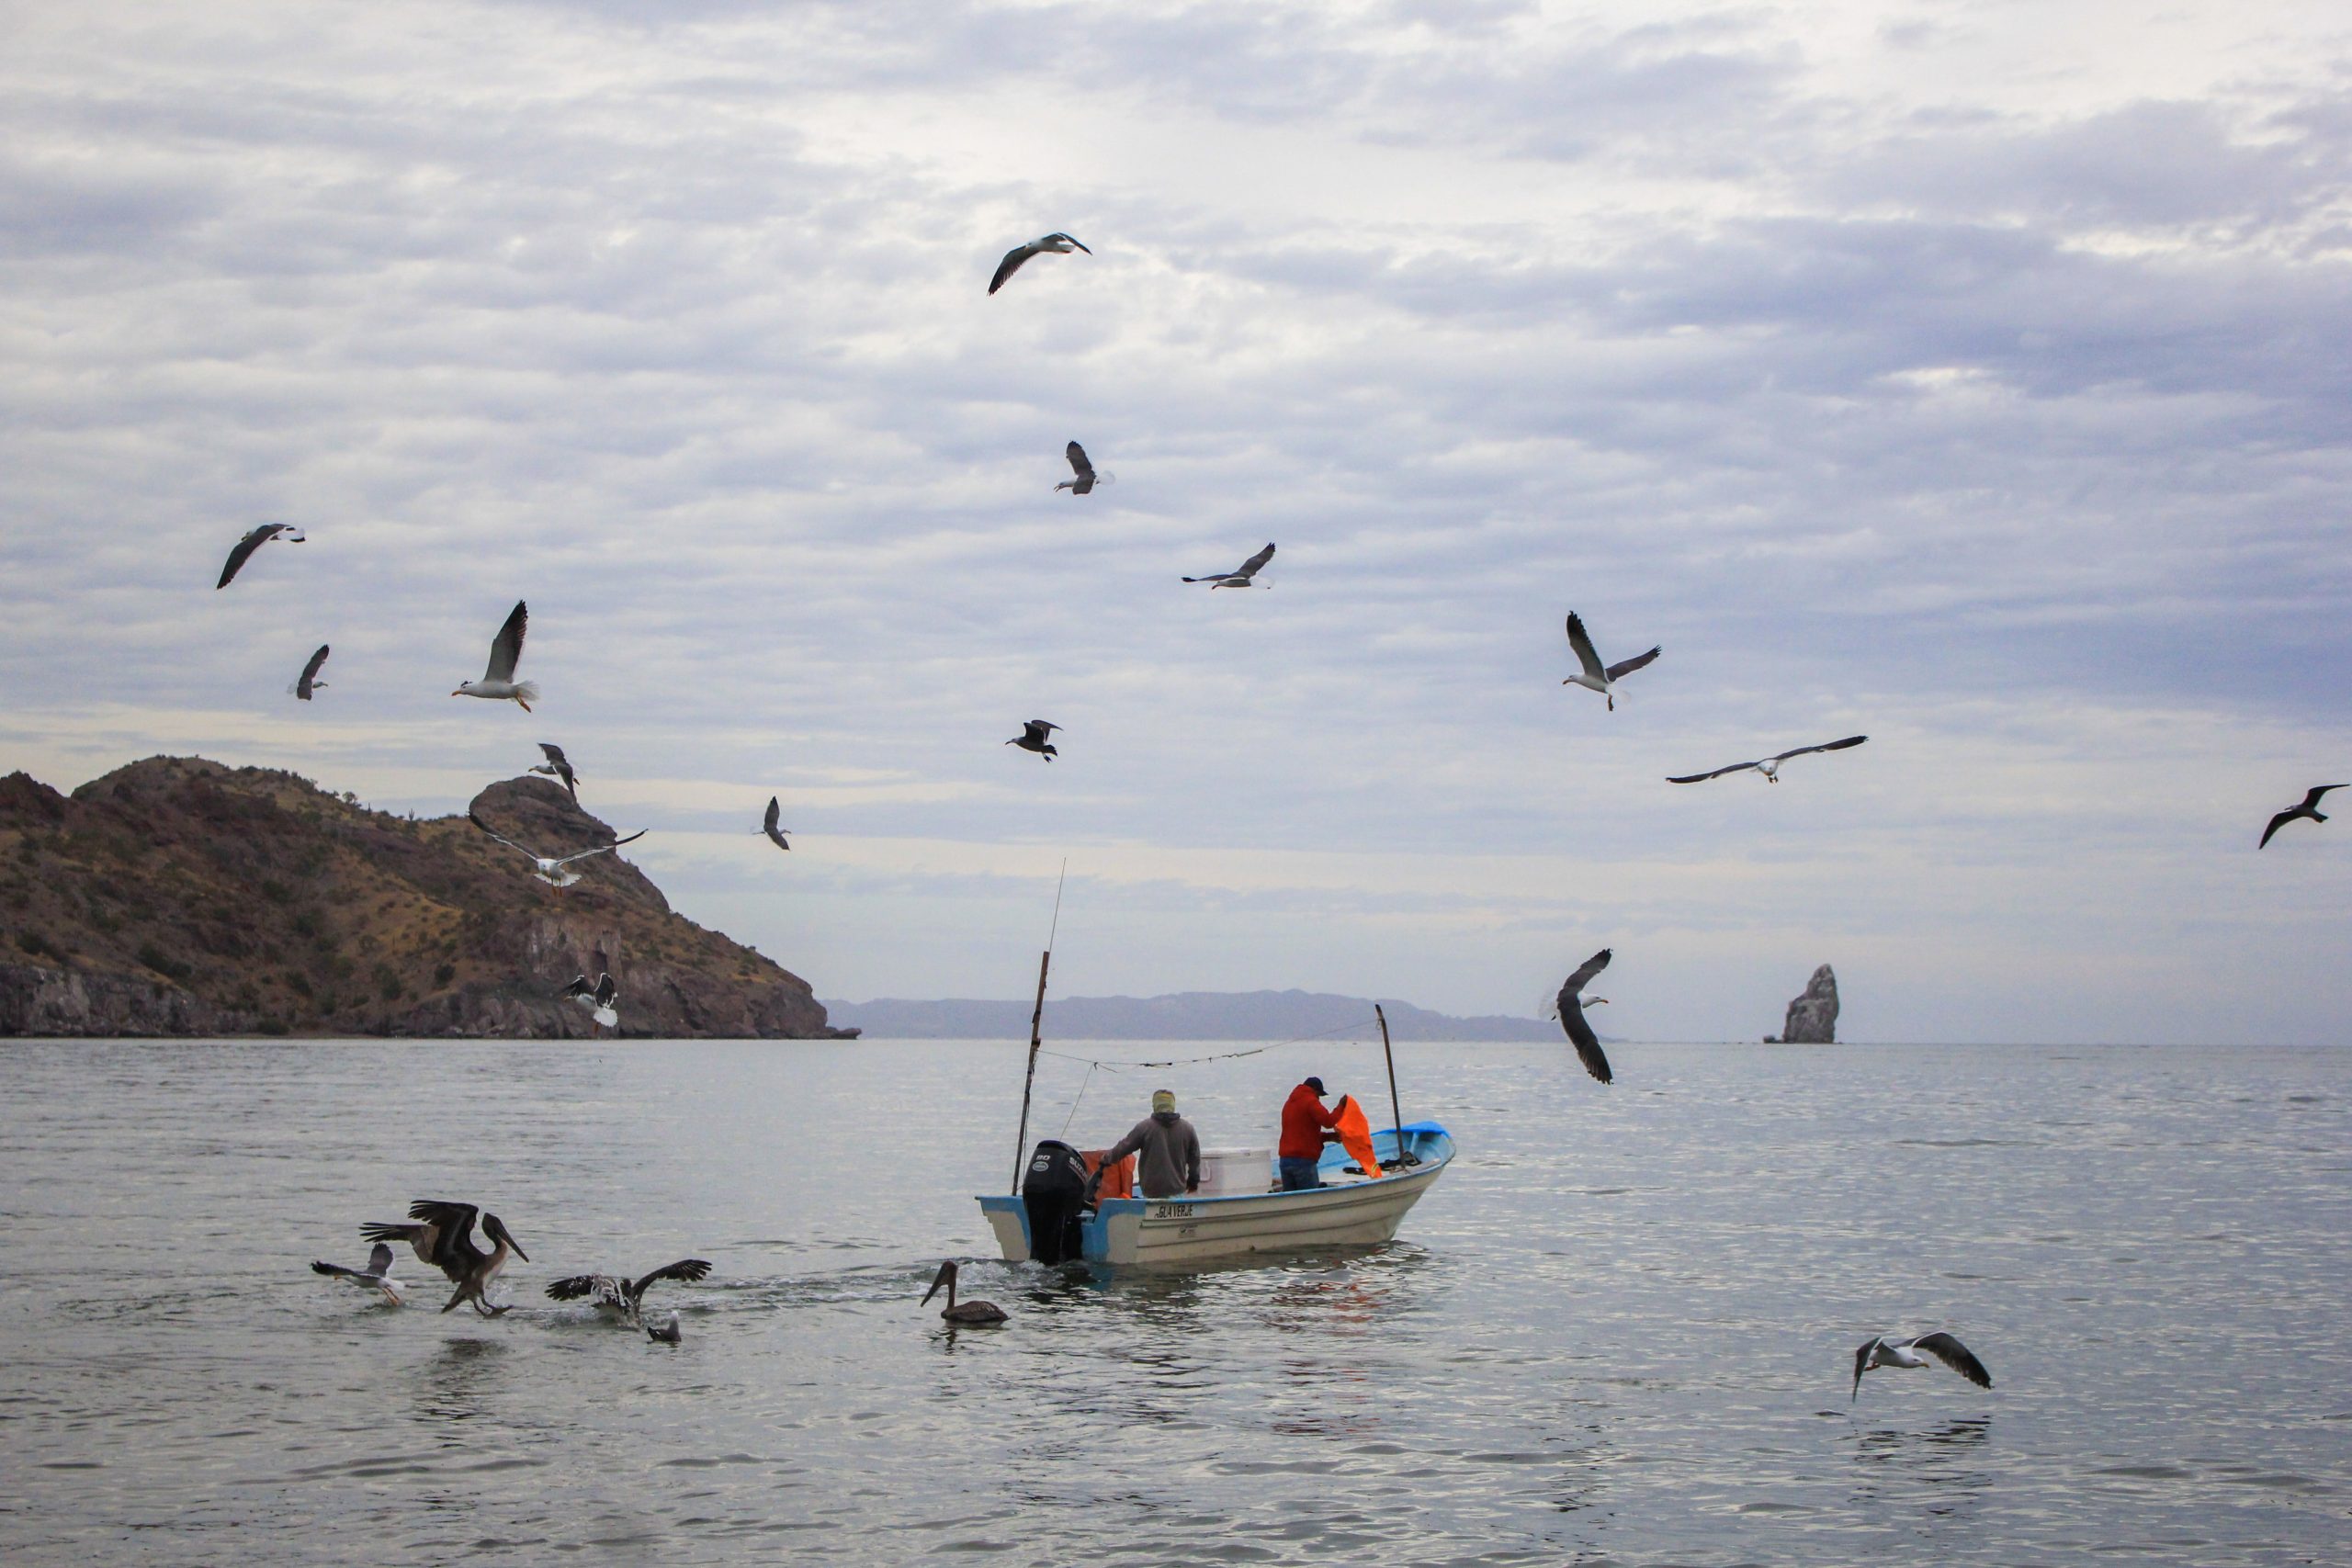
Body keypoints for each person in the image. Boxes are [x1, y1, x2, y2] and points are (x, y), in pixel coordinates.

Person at [1103, 1089, 1202, 1200]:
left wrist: (1106, 1160)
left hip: (1151, 1192)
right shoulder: (1188, 1129)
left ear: (1155, 1106)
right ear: (1173, 1105)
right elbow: (1195, 1159)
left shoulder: (1144, 1128)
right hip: (1177, 1191)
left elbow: (1123, 1148)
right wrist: (1193, 1182)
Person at [1278, 1076, 1342, 1190]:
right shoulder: (1310, 1101)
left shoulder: (1289, 1103)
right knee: (1310, 1198)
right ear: (1314, 1089)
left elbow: (1300, 1132)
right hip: (1303, 1162)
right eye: (1319, 1095)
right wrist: (1341, 1106)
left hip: (1285, 1161)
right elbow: (1328, 1121)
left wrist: (1328, 1137)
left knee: (1291, 1201)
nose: (1319, 1098)